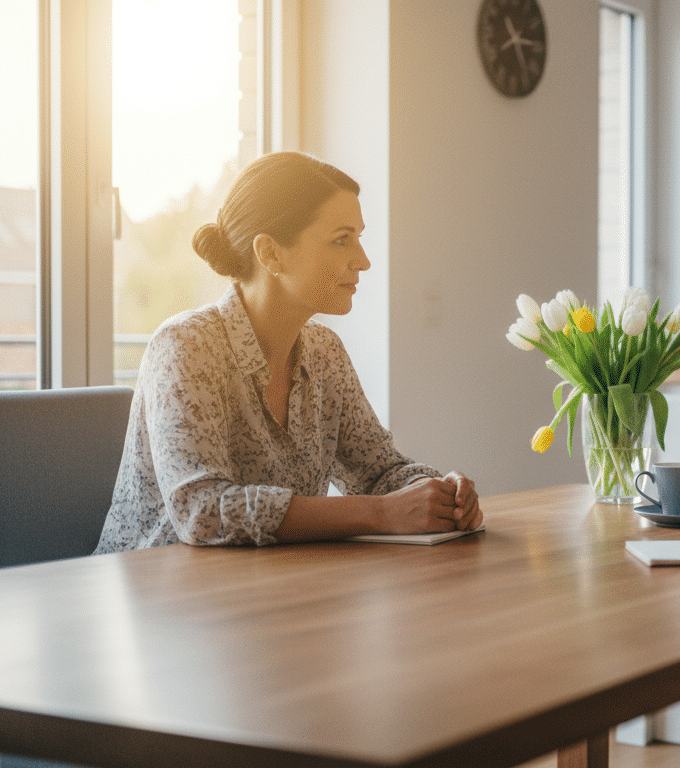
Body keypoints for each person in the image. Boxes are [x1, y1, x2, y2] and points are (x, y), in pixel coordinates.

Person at [95, 151, 481, 552]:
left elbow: (379, 471)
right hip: (153, 596)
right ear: (271, 253)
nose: (363, 261)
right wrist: (382, 513)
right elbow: (203, 512)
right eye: (341, 240)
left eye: (358, 238)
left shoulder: (324, 352)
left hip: (265, 591)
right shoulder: (186, 347)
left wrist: (437, 494)